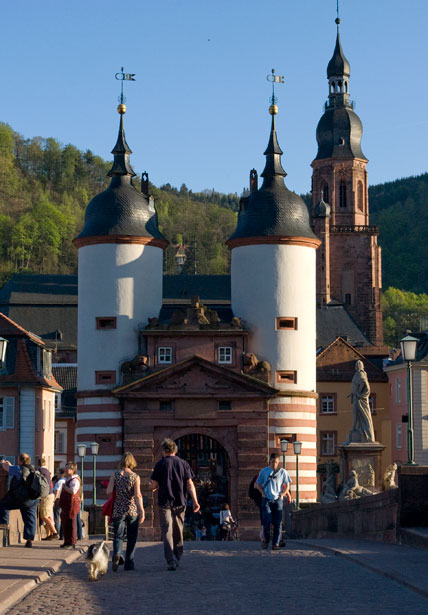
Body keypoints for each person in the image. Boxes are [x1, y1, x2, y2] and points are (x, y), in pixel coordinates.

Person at [151, 438, 200, 571]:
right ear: (174, 450)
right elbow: (190, 484)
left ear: (164, 450)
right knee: (178, 530)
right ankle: (178, 555)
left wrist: (155, 486)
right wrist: (195, 501)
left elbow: (154, 485)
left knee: (167, 531)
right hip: (180, 502)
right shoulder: (184, 463)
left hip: (164, 502)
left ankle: (170, 560)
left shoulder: (160, 464)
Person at [106, 452, 145, 572]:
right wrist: (142, 511)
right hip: (131, 510)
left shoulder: (115, 475)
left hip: (118, 509)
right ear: (132, 462)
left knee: (118, 536)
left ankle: (117, 553)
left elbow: (108, 491)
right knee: (132, 537)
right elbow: (138, 495)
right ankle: (129, 563)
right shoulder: (135, 476)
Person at [0, 453, 40, 548]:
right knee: (30, 519)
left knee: (3, 504)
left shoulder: (18, 469)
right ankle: (29, 540)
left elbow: (5, 467)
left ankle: (4, 523)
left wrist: (2, 462)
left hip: (22, 498)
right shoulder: (33, 469)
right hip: (33, 498)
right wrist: (10, 465)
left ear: (20, 461)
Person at [255, 452, 291, 551]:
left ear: (278, 461)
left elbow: (287, 485)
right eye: (272, 462)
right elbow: (257, 484)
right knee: (266, 522)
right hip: (266, 499)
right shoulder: (264, 471)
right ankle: (266, 541)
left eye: (275, 462)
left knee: (278, 523)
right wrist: (263, 493)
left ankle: (275, 544)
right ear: (269, 461)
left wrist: (282, 495)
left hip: (277, 500)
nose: (274, 464)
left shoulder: (283, 472)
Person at [346, 360, 375, 443]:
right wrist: (353, 393)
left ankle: (355, 427)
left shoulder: (361, 374)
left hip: (360, 399)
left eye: (357, 365)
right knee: (356, 413)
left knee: (359, 413)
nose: (356, 366)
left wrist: (358, 392)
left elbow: (364, 384)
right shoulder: (357, 374)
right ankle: (356, 427)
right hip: (356, 397)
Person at [59, 461, 81, 549]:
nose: (66, 469)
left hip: (71, 504)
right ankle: (67, 541)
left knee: (71, 523)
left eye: (68, 468)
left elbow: (73, 491)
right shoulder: (69, 479)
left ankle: (72, 542)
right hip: (67, 504)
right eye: (66, 467)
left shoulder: (75, 480)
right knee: (65, 523)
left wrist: (65, 487)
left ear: (73, 470)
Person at [38, 457, 57, 540]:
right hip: (51, 494)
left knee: (44, 516)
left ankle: (55, 533)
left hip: (46, 495)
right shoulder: (47, 471)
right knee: (48, 515)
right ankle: (50, 534)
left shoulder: (40, 471)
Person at [53, 468, 65, 538]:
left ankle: (57, 533)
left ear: (61, 474)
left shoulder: (59, 482)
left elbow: (57, 492)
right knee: (61, 517)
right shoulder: (65, 480)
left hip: (58, 500)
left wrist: (53, 501)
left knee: (56, 517)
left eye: (57, 473)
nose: (56, 475)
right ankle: (62, 534)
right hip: (63, 500)